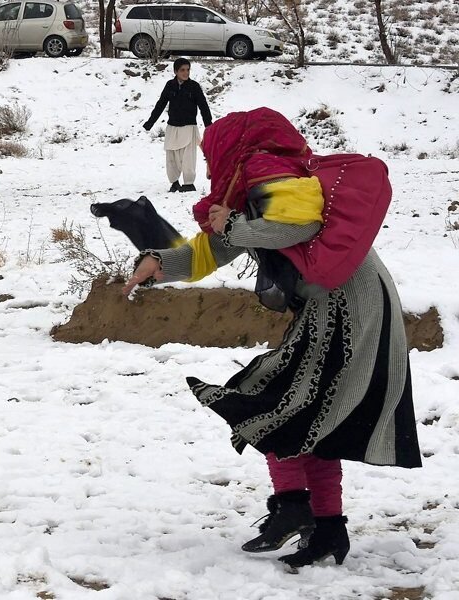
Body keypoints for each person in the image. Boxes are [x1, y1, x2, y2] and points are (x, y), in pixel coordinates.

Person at [122, 107, 421, 570]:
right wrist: (159, 263)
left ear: (229, 148)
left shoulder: (269, 171)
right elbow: (218, 247)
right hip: (333, 305)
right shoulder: (253, 184)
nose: (206, 164)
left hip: (349, 306)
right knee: (311, 418)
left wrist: (233, 225)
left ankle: (293, 507)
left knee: (271, 403)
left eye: (209, 153)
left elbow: (293, 228)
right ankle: (326, 530)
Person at [143, 58, 213, 193]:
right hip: (173, 127)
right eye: (182, 70)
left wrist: (209, 126)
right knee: (171, 156)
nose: (186, 73)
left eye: (188, 70)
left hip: (189, 127)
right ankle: (174, 182)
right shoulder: (170, 85)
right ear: (175, 71)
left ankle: (188, 183)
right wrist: (150, 123)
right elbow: (161, 104)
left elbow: (204, 107)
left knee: (188, 158)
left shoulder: (194, 87)